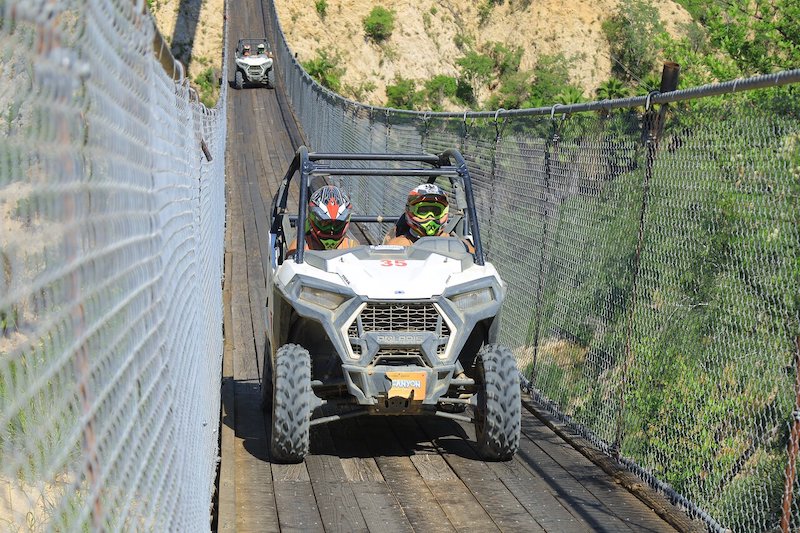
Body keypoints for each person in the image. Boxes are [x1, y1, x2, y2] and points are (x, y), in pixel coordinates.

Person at [384, 183, 474, 252]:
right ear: (410, 212)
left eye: (436, 211)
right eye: (423, 211)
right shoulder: (398, 245)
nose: (430, 217)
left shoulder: (458, 245)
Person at [287, 185, 359, 256]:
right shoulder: (300, 247)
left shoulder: (353, 247)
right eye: (325, 223)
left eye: (337, 223)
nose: (331, 230)